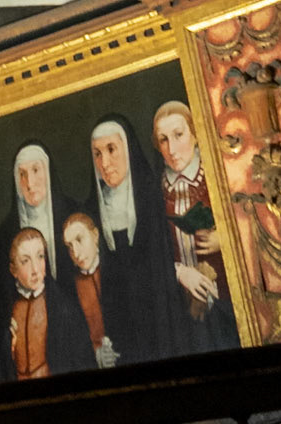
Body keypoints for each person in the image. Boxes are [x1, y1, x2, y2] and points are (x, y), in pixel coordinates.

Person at [87, 115, 193, 365]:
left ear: (128, 148)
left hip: (163, 323)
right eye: (98, 154)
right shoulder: (91, 210)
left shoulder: (156, 196)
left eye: (112, 149)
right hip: (119, 337)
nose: (105, 162)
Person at [0, 145, 77, 373]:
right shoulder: (4, 239)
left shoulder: (74, 216)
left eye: (36, 170)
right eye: (22, 174)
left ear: (48, 172)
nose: (30, 183)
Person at [153, 101, 238, 353]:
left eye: (178, 135)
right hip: (180, 306)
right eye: (163, 139)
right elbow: (151, 253)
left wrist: (227, 238)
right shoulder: (155, 191)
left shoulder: (218, 175)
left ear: (196, 134)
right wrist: (178, 272)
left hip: (228, 298)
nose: (171, 148)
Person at [1, 229, 94, 381]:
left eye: (40, 257)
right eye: (25, 261)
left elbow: (82, 363)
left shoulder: (64, 308)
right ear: (13, 270)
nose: (35, 270)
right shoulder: (8, 311)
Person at [62, 213, 119, 368]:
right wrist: (95, 353)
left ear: (95, 236)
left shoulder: (117, 270)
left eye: (80, 240)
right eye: (69, 246)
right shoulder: (69, 290)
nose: (76, 253)